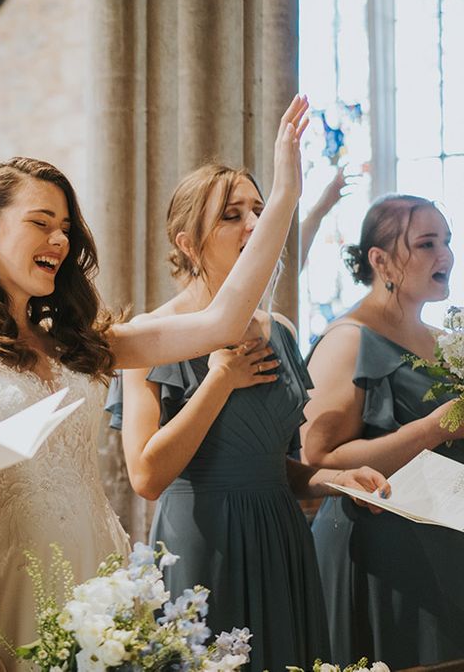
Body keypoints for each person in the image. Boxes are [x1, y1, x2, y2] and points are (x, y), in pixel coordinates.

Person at [0, 96, 311, 670]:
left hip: (98, 561)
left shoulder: (84, 343)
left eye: (65, 228)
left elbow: (222, 322)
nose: (58, 240)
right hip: (12, 569)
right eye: (40, 223)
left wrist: (286, 197)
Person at [107, 162, 390, 672]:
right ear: (188, 243)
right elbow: (146, 476)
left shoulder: (279, 330)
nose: (255, 225)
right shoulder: (148, 334)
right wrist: (219, 379)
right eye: (232, 215)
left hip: (281, 539)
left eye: (260, 210)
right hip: (203, 544)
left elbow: (274, 462)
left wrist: (331, 479)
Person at [301, 194, 464, 668]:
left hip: (444, 551)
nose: (446, 256)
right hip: (381, 558)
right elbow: (317, 459)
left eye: (448, 241)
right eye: (427, 243)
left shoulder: (445, 344)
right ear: (380, 260)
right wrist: (433, 429)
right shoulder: (347, 339)